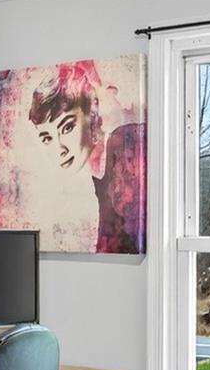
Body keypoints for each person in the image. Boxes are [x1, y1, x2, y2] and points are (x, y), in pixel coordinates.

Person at [27, 60, 145, 254]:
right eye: (47, 137)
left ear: (92, 118)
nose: (60, 148)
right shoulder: (83, 189)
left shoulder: (124, 148)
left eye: (67, 127)